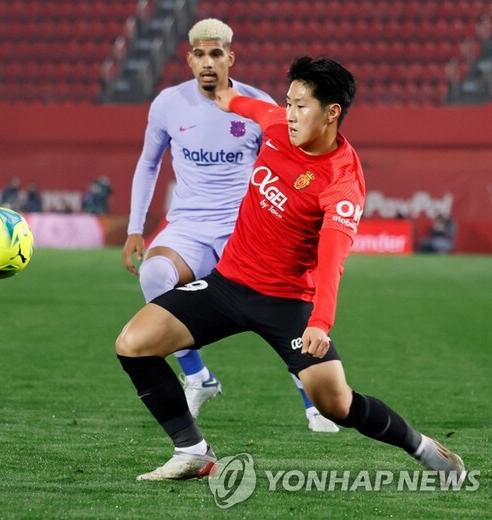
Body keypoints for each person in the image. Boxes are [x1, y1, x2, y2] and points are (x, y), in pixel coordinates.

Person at [115, 56, 466, 482]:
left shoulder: (341, 184)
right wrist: (220, 87)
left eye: (301, 105)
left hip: (288, 304)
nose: (290, 113)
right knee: (134, 343)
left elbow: (334, 259)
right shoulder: (278, 126)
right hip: (227, 284)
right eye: (288, 102)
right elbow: (241, 103)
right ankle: (193, 452)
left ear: (331, 112)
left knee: (335, 403)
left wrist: (320, 322)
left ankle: (423, 447)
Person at [122, 19, 336, 431]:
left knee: (283, 306)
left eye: (216, 54)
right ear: (188, 58)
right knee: (155, 274)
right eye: (199, 54)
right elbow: (148, 163)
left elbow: (290, 166)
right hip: (189, 226)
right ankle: (198, 377)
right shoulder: (167, 104)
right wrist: (136, 227)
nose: (207, 62)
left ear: (229, 58)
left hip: (248, 227)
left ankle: (312, 401)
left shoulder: (259, 105)